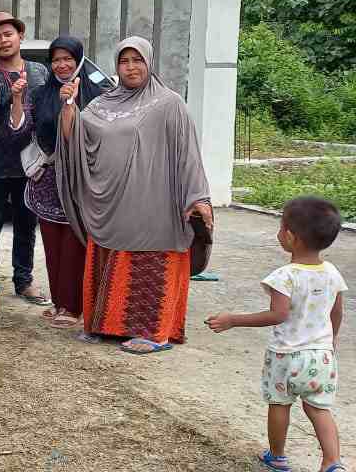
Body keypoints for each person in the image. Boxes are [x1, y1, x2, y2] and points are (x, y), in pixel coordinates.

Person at [57, 36, 213, 353]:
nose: (130, 67)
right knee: (110, 259)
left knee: (150, 265)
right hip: (112, 204)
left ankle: (155, 333)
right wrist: (69, 106)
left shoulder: (169, 104)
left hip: (156, 204)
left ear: (149, 62)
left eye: (137, 60)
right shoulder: (101, 104)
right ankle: (105, 326)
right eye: (124, 61)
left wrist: (198, 198)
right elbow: (76, 141)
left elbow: (188, 154)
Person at [207, 197, 346, 472]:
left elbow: (277, 315)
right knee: (319, 409)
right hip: (321, 357)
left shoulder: (284, 276)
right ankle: (333, 462)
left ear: (291, 237)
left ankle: (278, 456)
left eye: (280, 228)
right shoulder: (331, 272)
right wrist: (332, 341)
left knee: (279, 404)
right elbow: (337, 311)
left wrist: (232, 320)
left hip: (285, 356)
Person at [27, 36, 105, 328]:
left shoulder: (98, 95)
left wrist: (71, 105)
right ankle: (60, 301)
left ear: (79, 59)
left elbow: (95, 138)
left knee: (76, 242)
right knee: (52, 243)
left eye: (67, 59)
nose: (61, 65)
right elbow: (29, 129)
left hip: (79, 180)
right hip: (48, 180)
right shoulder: (41, 94)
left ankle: (73, 306)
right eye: (56, 60)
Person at [0, 12, 51, 305]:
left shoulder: (38, 72)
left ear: (20, 36)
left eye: (8, 34)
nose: (3, 40)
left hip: (28, 163)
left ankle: (24, 280)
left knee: (25, 225)